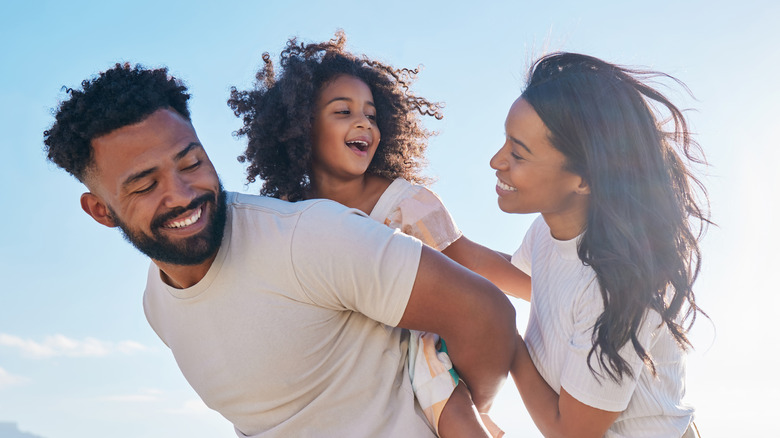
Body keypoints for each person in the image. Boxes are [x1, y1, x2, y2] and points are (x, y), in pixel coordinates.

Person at [42, 62, 517, 438]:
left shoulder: (308, 237)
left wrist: (447, 415)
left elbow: (485, 313)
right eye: (145, 185)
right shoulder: (158, 307)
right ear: (100, 211)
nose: (183, 193)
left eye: (192, 162)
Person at [228, 32, 529, 437]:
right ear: (302, 126)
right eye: (343, 111)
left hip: (417, 350)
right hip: (345, 369)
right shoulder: (290, 216)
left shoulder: (404, 203)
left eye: (371, 115)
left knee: (456, 415)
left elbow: (470, 258)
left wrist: (546, 284)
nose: (363, 122)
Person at [490, 52, 709, 437]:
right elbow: (530, 280)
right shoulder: (548, 231)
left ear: (585, 178)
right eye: (505, 142)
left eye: (517, 152)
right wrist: (431, 234)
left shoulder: (616, 287)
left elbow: (570, 432)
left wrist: (505, 338)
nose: (496, 161)